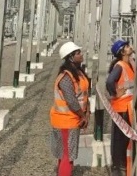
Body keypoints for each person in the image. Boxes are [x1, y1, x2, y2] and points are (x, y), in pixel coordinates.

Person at [50, 41, 90, 176]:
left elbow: (83, 95)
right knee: (67, 156)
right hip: (65, 121)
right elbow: (72, 100)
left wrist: (86, 113)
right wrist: (83, 115)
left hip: (72, 119)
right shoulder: (66, 77)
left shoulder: (78, 73)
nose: (81, 54)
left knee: (65, 154)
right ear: (71, 57)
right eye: (78, 53)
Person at [106, 39, 136, 176]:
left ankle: (122, 167)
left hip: (127, 108)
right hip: (121, 108)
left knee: (123, 140)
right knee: (120, 141)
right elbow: (109, 81)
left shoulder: (128, 64)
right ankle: (118, 169)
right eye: (128, 46)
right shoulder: (120, 66)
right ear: (122, 51)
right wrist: (115, 93)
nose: (130, 47)